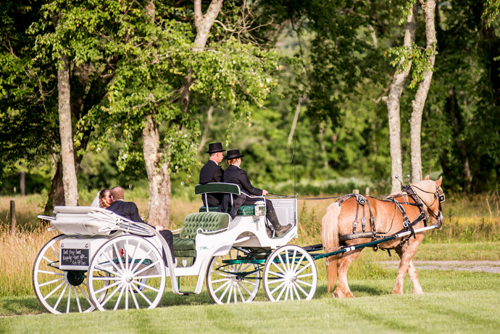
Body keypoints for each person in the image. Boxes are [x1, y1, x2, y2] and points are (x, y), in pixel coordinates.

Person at [222, 149, 292, 238]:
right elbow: (250, 189)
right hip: (241, 200)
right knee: (268, 203)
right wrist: (261, 192)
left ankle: (267, 229)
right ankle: (278, 229)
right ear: (238, 159)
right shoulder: (240, 172)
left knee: (262, 201)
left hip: (230, 200)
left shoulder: (226, 172)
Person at [106, 186, 174, 263]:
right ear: (123, 195)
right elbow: (139, 224)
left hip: (117, 239)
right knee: (168, 234)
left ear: (112, 197)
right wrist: (154, 228)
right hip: (134, 236)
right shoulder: (130, 206)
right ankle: (168, 264)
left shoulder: (108, 211)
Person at [199, 142, 225, 207]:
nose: (222, 156)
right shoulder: (216, 169)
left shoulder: (203, 168)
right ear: (217, 154)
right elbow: (225, 184)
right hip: (216, 202)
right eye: (221, 154)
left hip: (206, 202)